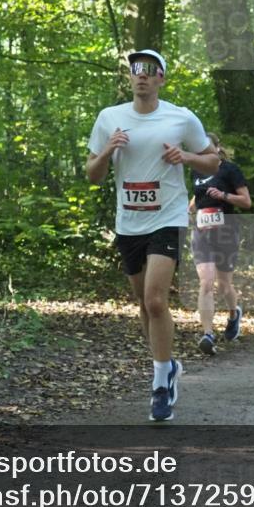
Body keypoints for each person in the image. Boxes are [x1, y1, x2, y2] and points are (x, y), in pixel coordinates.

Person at [87, 49, 219, 421]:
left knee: (156, 300)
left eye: (149, 69)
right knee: (144, 305)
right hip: (128, 222)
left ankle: (161, 384)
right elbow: (93, 175)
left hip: (168, 217)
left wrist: (186, 158)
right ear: (129, 77)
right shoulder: (109, 118)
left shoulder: (181, 117)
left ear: (161, 78)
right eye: (135, 69)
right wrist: (107, 150)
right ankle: (168, 365)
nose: (141, 75)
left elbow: (213, 160)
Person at [188, 132, 251, 355]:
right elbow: (198, 196)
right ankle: (208, 334)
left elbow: (246, 201)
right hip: (202, 232)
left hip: (226, 232)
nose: (202, 151)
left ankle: (234, 314)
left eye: (207, 147)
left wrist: (224, 196)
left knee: (224, 285)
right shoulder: (196, 170)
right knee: (206, 282)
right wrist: (190, 208)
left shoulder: (230, 170)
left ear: (217, 147)